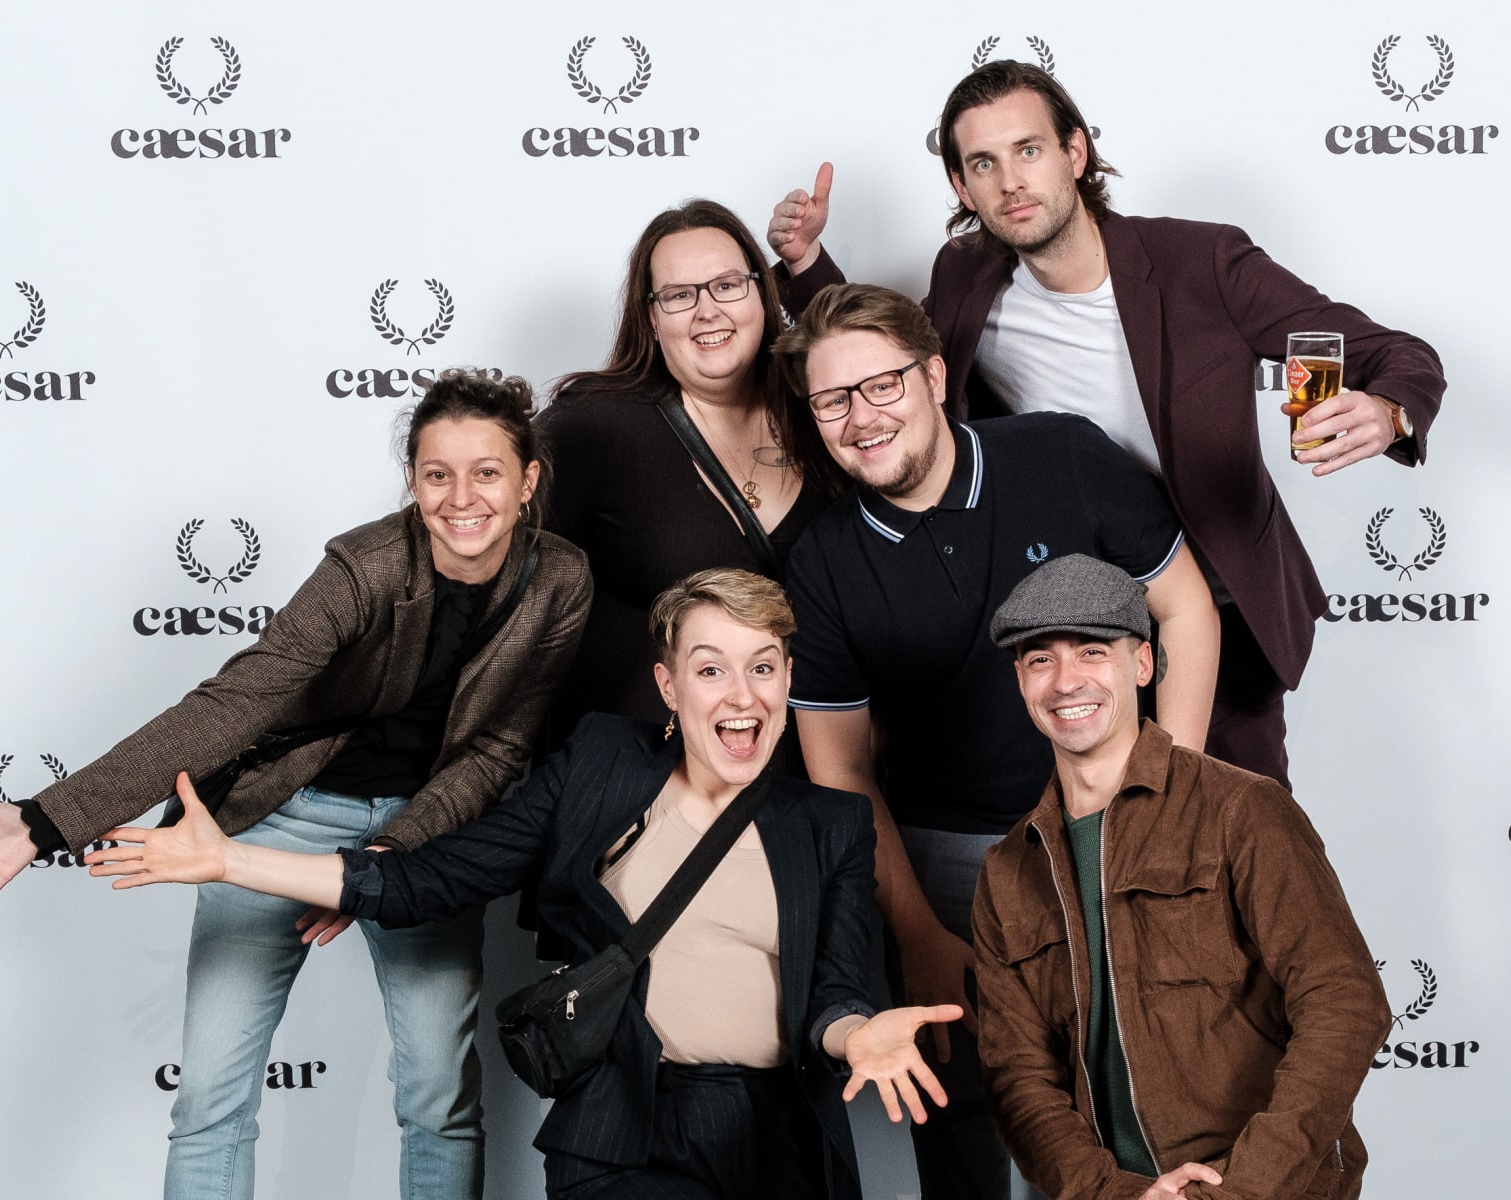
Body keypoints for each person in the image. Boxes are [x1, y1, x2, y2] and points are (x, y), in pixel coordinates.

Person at [0, 371, 594, 1200]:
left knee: (440, 1100)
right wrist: (43, 822)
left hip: (428, 835)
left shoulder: (561, 581)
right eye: (436, 474)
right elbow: (235, 704)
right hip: (284, 814)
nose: (461, 498)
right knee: (210, 1099)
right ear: (412, 482)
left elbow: (498, 750)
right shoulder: (364, 566)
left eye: (487, 472)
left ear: (527, 479)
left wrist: (383, 863)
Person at [86, 568, 960, 1200]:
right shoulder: (599, 766)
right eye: (711, 668)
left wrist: (858, 1035)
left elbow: (834, 992)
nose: (743, 695)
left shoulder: (831, 824)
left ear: (789, 679)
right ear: (668, 687)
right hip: (623, 1129)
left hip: (779, 1142)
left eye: (764, 666)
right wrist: (228, 860)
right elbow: (432, 876)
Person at [766, 60, 1447, 790]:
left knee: (1223, 829)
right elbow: (884, 365)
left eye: (1029, 150)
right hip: (1072, 621)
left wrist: (1389, 410)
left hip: (1215, 606)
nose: (1010, 182)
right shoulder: (966, 275)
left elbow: (1396, 352)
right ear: (962, 187)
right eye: (984, 164)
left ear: (1075, 151)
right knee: (1084, 834)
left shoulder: (1202, 262)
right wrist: (806, 267)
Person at [770, 283, 1219, 1200]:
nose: (862, 417)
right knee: (970, 1132)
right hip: (951, 865)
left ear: (935, 377)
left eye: (883, 385)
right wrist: (919, 934)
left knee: (1142, 1110)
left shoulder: (1061, 455)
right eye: (833, 400)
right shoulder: (822, 563)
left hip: (1116, 826)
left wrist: (1165, 795)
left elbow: (1184, 609)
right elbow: (842, 770)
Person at [973, 554, 1389, 1200]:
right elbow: (1018, 1077)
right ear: (1021, 682)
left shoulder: (1241, 809)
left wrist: (1239, 1190)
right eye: (1040, 660)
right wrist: (1116, 1194)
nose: (1065, 681)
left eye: (1092, 652)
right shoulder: (1008, 872)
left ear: (1143, 663)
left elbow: (1345, 1002)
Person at [538, 200, 836, 743]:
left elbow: (886, 372)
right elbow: (484, 553)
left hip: (809, 766)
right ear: (652, 318)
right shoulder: (595, 425)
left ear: (763, 295)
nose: (707, 311)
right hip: (647, 768)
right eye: (679, 296)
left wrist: (810, 265)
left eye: (727, 285)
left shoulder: (823, 413)